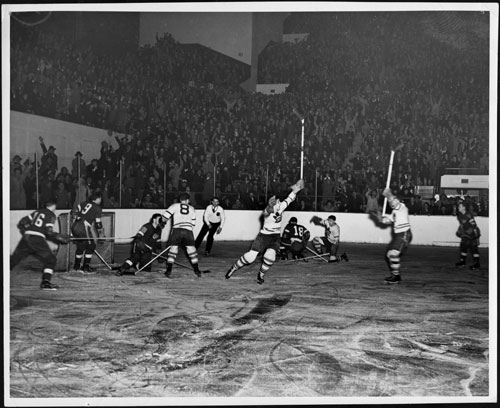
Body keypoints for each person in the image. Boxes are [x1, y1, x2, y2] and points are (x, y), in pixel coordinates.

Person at [225, 179, 304, 284]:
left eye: (278, 200)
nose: (278, 202)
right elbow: (266, 213)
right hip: (264, 236)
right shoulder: (268, 209)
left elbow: (290, 198)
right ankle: (234, 268)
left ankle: (261, 274)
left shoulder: (281, 206)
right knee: (250, 257)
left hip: (275, 236)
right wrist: (269, 207)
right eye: (275, 201)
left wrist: (297, 189)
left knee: (270, 257)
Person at [10, 200, 70, 290]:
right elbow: (49, 231)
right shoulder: (51, 214)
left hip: (27, 237)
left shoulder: (37, 212)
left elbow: (23, 221)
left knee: (14, 259)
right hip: (37, 239)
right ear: (53, 206)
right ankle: (45, 283)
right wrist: (58, 236)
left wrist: (28, 231)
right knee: (51, 260)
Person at [161, 192, 205, 278]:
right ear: (188, 200)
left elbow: (164, 217)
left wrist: (162, 222)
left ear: (180, 200)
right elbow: (193, 224)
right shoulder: (192, 208)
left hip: (177, 229)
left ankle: (169, 270)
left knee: (173, 250)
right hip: (188, 230)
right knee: (191, 250)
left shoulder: (174, 206)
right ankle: (197, 270)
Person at [378, 188, 412, 284]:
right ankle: (396, 275)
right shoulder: (394, 212)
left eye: (394, 200)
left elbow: (394, 202)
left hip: (404, 234)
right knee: (389, 255)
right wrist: (379, 217)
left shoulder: (402, 207)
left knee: (393, 254)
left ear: (399, 200)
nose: (391, 203)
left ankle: (396, 277)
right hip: (399, 235)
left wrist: (388, 194)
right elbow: (386, 221)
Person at [70, 192, 104, 273]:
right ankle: (86, 266)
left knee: (81, 246)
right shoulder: (97, 208)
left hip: (75, 225)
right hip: (83, 226)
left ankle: (77, 266)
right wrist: (101, 234)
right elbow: (98, 224)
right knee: (91, 246)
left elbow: (74, 210)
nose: (101, 200)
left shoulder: (84, 203)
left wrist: (76, 217)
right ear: (97, 199)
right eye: (100, 199)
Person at [455, 201, 481, 270]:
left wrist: (476, 237)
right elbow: (462, 225)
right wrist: (459, 230)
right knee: (463, 248)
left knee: (474, 250)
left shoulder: (469, 215)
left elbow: (474, 226)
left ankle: (477, 264)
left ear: (464, 208)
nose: (458, 208)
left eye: (460, 206)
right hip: (465, 235)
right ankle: (462, 262)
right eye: (458, 206)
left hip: (472, 234)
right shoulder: (459, 215)